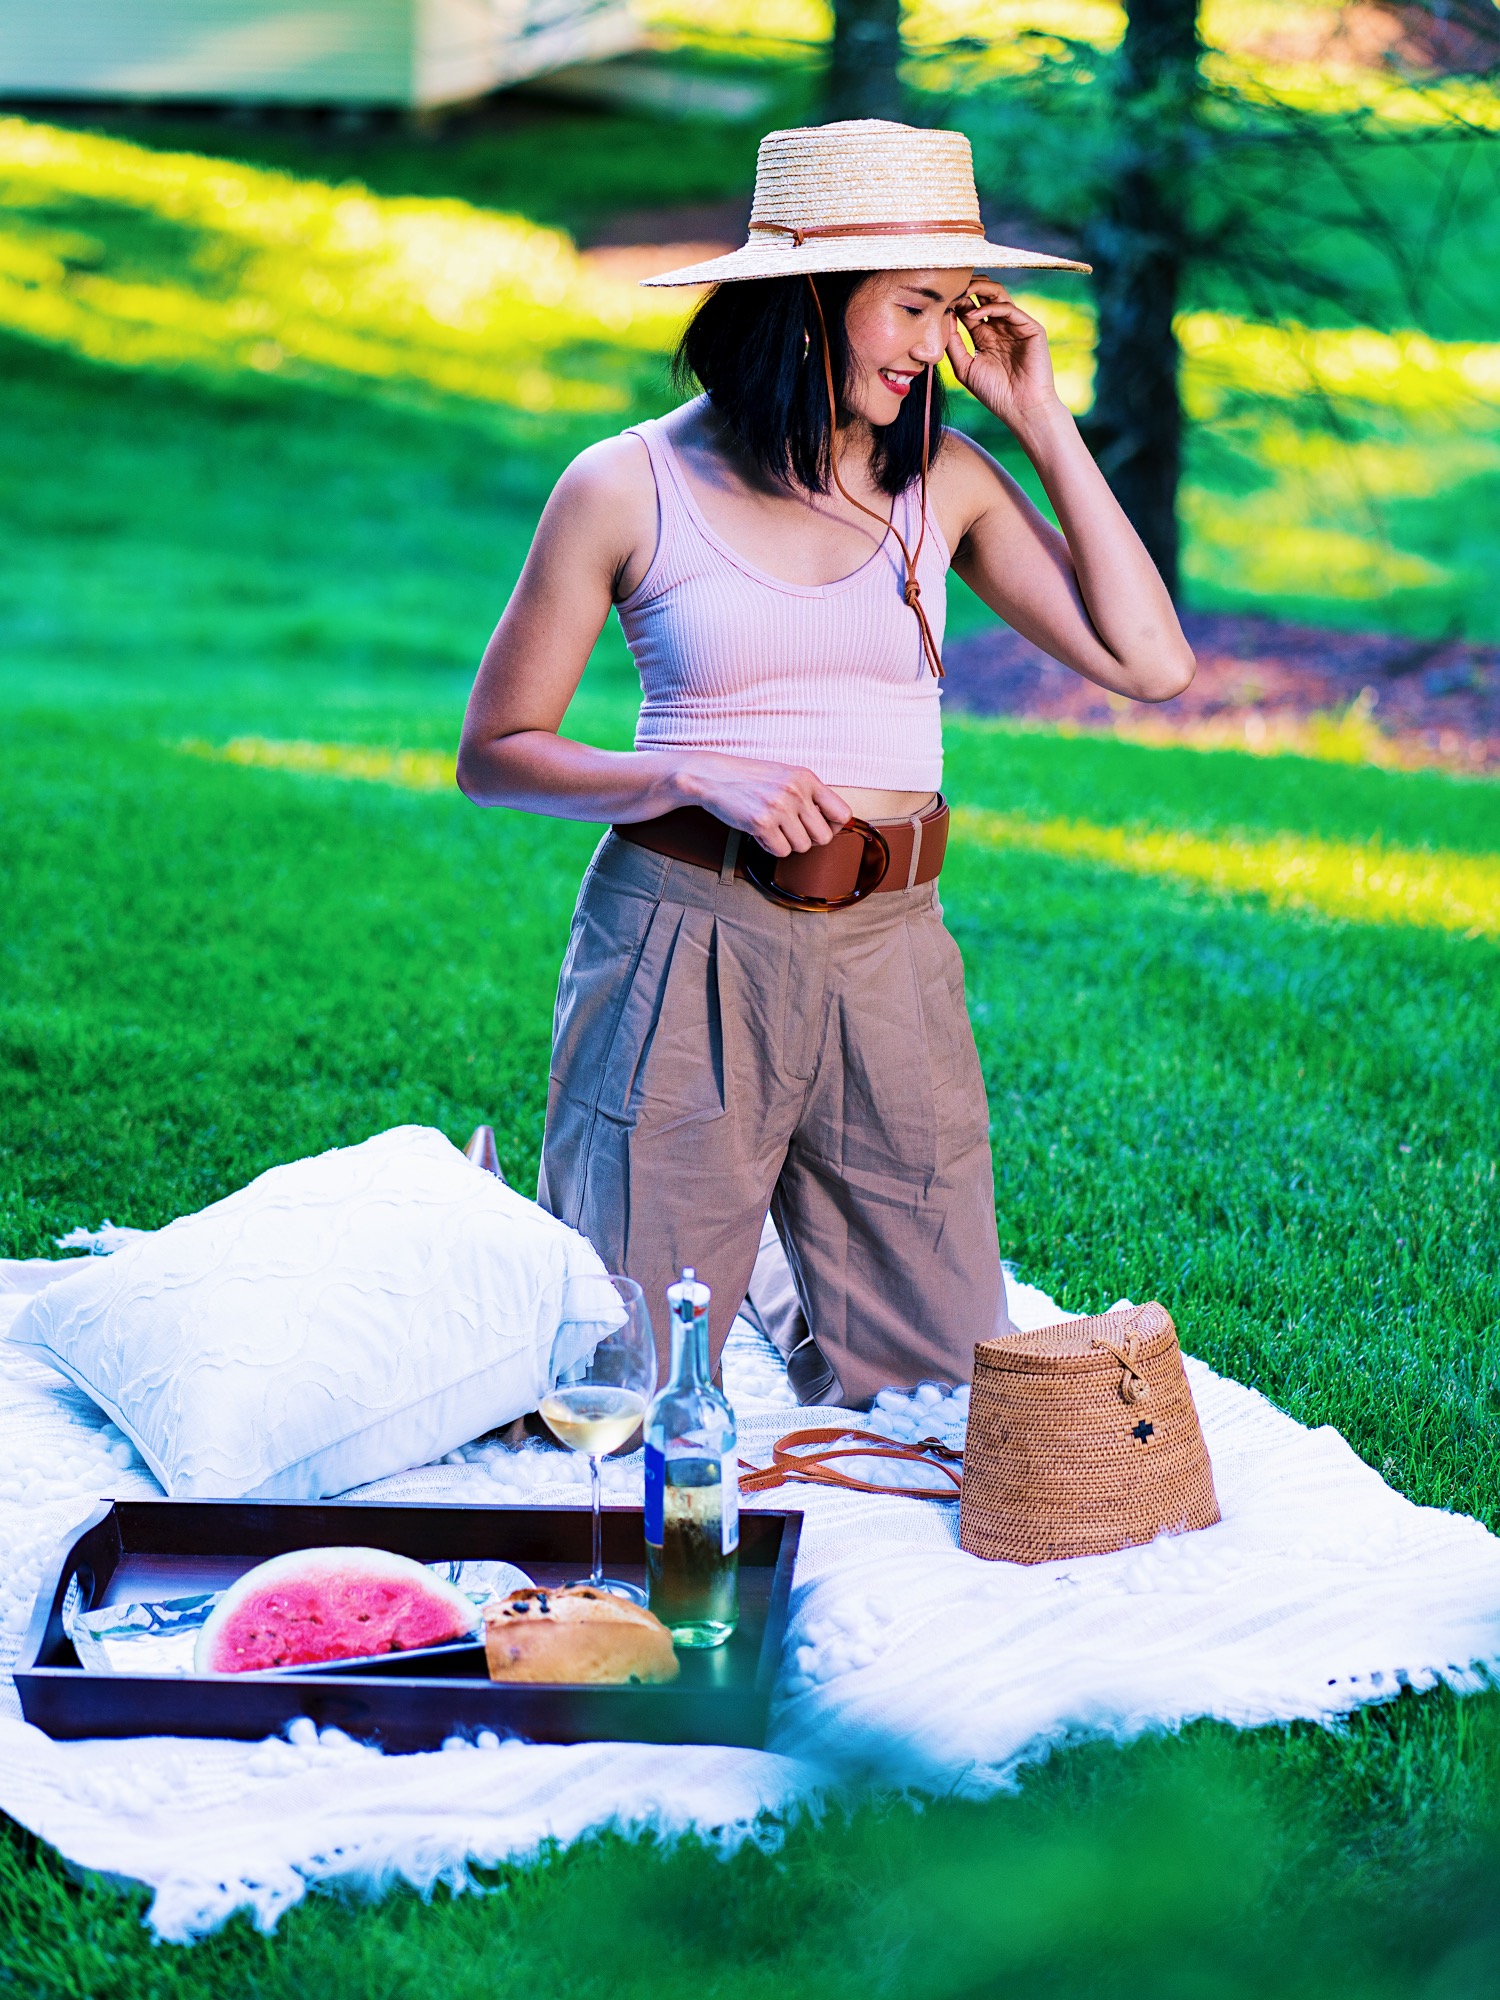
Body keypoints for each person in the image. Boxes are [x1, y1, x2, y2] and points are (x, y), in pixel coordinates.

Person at [458, 119, 1194, 1405]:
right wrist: (689, 774)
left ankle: (780, 1267)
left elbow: (1150, 661)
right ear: (805, 299)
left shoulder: (943, 480)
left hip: (893, 950)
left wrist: (1040, 415)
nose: (935, 347)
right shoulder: (624, 484)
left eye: (954, 309)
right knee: (615, 1388)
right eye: (912, 308)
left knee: (949, 1396)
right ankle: (598, 1239)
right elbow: (495, 754)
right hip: (685, 945)